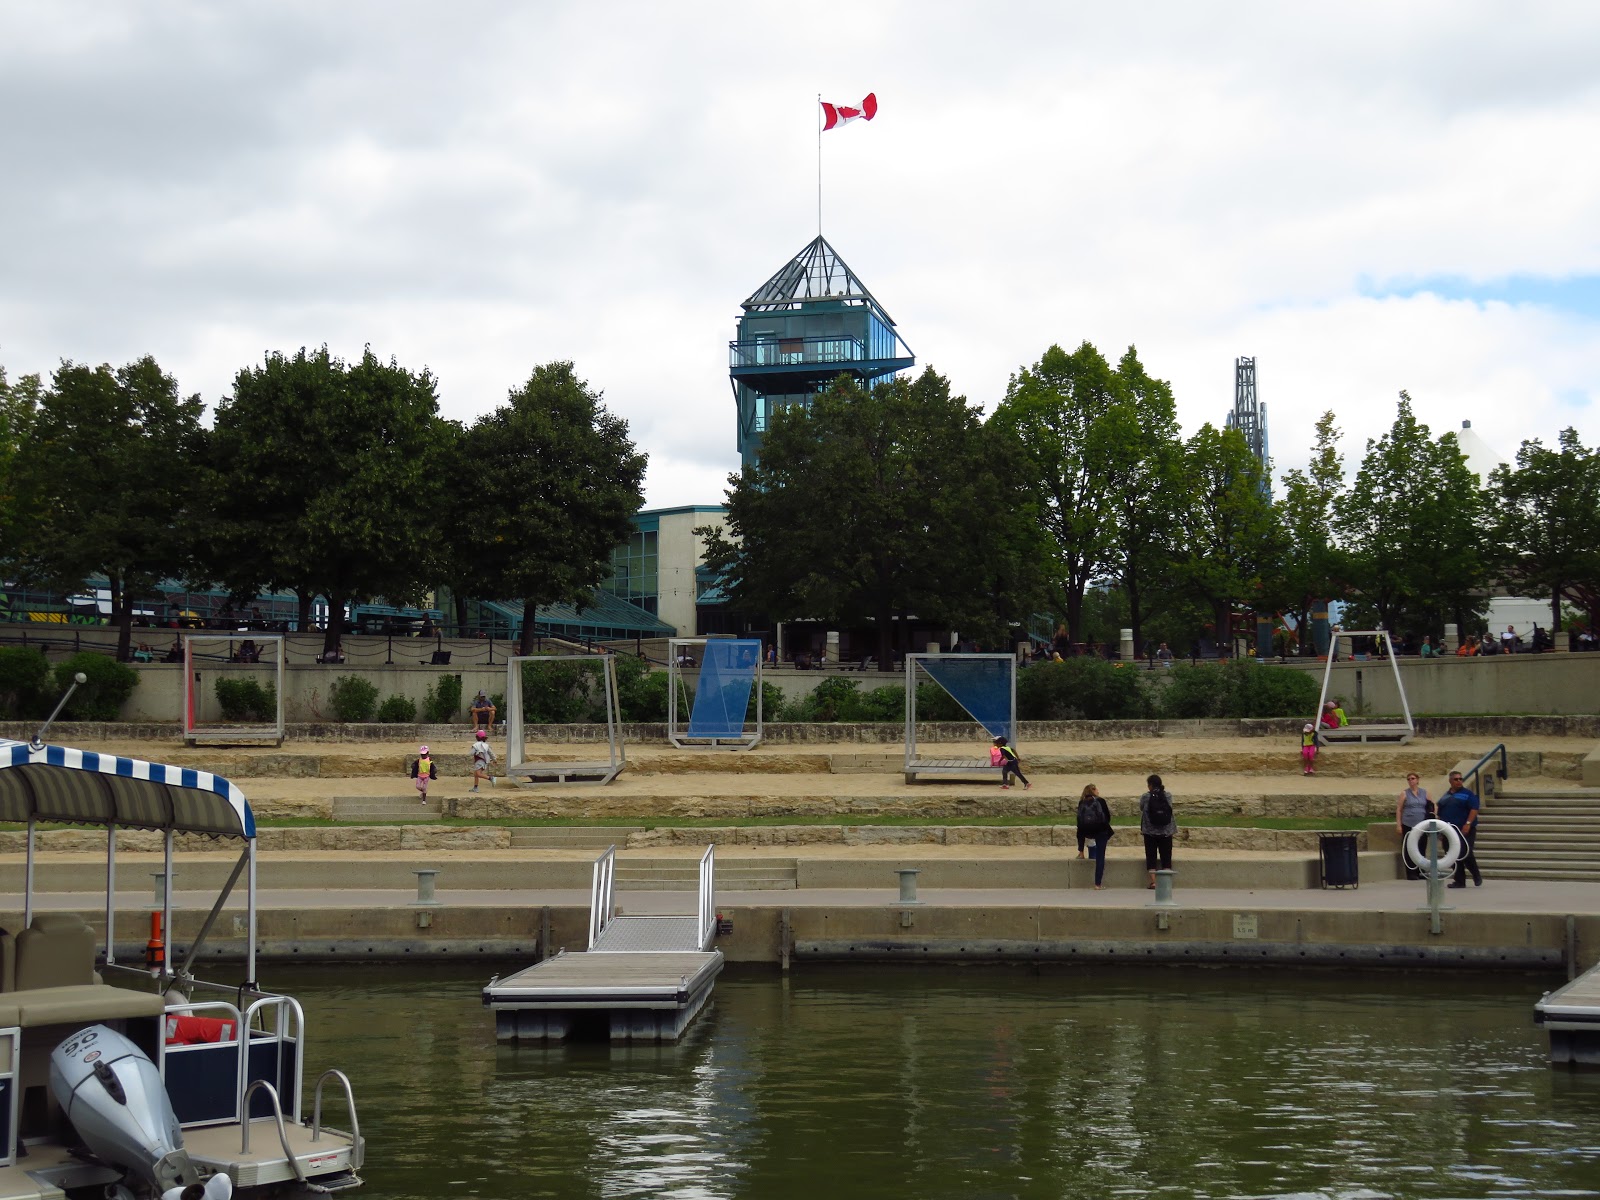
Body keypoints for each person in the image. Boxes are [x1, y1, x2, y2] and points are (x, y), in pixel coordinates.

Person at [1436, 770, 1483, 888]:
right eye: (1456, 779)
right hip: (1449, 830)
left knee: (1465, 852)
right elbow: (1440, 813)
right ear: (1450, 781)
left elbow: (1474, 809)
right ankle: (1459, 881)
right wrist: (1440, 830)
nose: (1459, 781)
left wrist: (1468, 823)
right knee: (1452, 855)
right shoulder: (1445, 796)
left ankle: (1476, 875)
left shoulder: (1468, 794)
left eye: (1460, 779)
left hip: (1464, 830)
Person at [1395, 771, 1435, 880]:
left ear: (1417, 780)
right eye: (1408, 779)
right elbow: (1399, 809)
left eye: (1412, 778)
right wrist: (1399, 825)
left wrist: (1433, 817)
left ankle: (1421, 870)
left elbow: (1432, 805)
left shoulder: (1425, 793)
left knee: (1421, 847)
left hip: (1422, 824)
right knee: (1409, 848)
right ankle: (1411, 872)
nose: (1411, 781)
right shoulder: (1405, 793)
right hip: (1408, 823)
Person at [1075, 783, 1115, 889]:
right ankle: (1098, 884)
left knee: (1081, 831)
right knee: (1100, 857)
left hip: (1087, 831)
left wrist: (1081, 847)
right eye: (1096, 789)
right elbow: (1107, 817)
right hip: (1101, 831)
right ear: (1093, 790)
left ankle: (1081, 852)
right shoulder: (1100, 801)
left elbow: (1079, 823)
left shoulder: (1081, 802)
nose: (1098, 791)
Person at [1139, 774, 1175, 888]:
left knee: (1151, 857)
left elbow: (1141, 807)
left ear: (1150, 785)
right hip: (1166, 831)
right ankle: (1166, 883)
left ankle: (1154, 882)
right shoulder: (1168, 795)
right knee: (1166, 857)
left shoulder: (1146, 796)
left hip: (1149, 831)